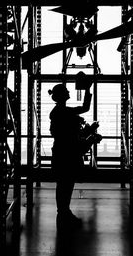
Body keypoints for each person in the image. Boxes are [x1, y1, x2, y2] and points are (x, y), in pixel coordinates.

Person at [49, 83, 92, 228]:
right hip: (67, 154)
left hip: (61, 152)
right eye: (66, 91)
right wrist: (87, 89)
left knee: (64, 184)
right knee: (66, 184)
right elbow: (85, 108)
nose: (68, 92)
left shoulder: (58, 111)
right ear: (61, 95)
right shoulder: (64, 111)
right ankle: (63, 212)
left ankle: (63, 212)